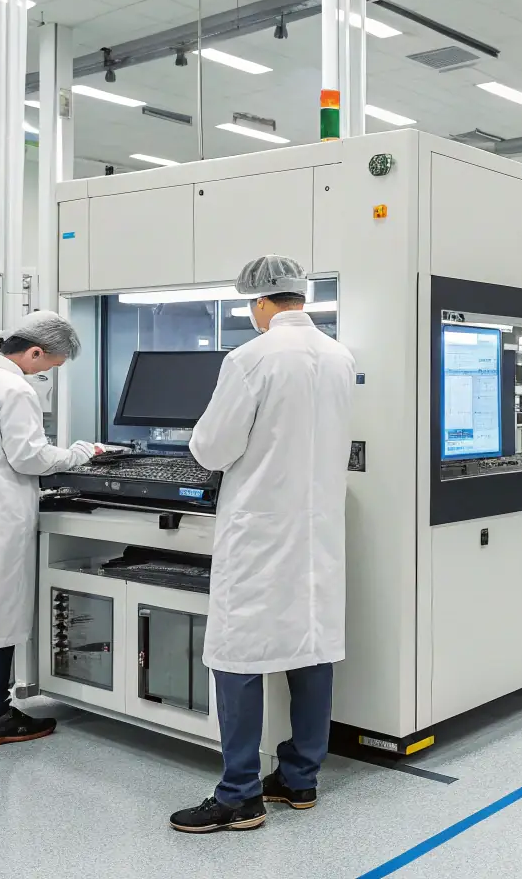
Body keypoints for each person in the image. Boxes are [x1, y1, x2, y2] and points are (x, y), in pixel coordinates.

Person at [170, 256, 355, 835]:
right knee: (312, 645)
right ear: (301, 295)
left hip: (260, 530)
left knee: (238, 655)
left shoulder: (250, 358)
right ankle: (300, 778)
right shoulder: (340, 356)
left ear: (259, 303)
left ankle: (240, 794)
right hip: (317, 529)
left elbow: (212, 448)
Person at [0, 311, 100, 747]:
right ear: (34, 351)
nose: (46, 373)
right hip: (2, 514)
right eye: (49, 365)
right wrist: (82, 453)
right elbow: (31, 458)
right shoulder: (15, 388)